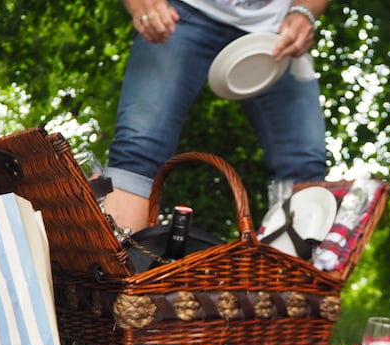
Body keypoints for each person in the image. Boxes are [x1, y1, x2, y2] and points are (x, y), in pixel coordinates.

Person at [104, 0, 330, 233]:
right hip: (179, 12)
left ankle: (291, 268)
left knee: (304, 168)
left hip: (276, 32)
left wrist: (304, 11)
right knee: (138, 148)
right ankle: (110, 264)